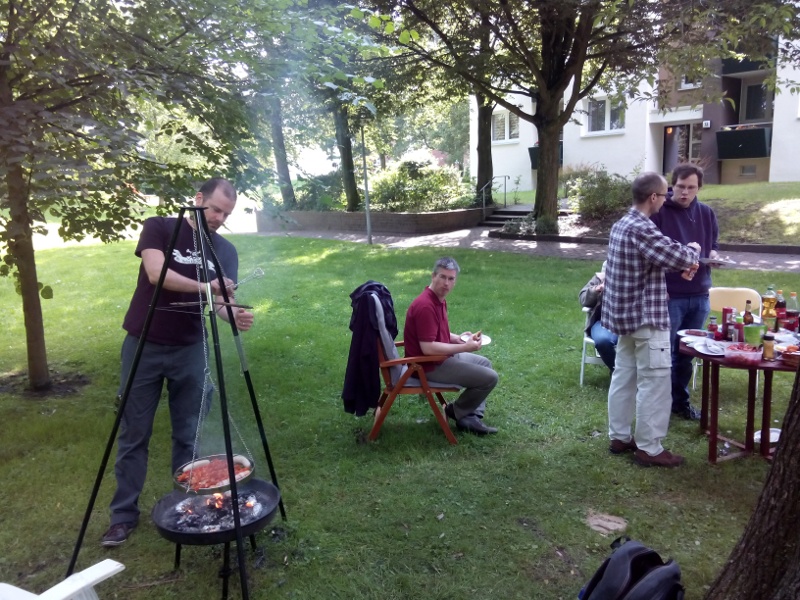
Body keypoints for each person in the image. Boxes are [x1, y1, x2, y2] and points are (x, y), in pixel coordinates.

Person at [101, 178, 255, 546]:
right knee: (134, 433)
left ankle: (187, 506)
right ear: (198, 199)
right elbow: (156, 274)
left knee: (189, 434)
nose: (219, 218)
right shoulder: (160, 228)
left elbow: (221, 302)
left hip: (190, 348)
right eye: (215, 209)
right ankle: (123, 515)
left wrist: (233, 315)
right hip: (144, 344)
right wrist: (207, 288)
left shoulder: (224, 250)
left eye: (226, 214)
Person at [602, 172, 700, 468]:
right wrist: (693, 251)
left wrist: (678, 263)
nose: (668, 198)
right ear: (653, 197)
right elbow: (679, 256)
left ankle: (619, 436)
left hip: (625, 318)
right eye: (665, 193)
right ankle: (650, 448)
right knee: (655, 383)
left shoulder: (622, 224)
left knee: (624, 377)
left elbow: (653, 259)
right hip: (646, 318)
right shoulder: (642, 228)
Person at [651, 164, 720, 420]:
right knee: (664, 353)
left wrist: (714, 255)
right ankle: (659, 405)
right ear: (672, 185)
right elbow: (652, 254)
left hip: (700, 293)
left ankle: (680, 403)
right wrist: (661, 288)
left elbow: (713, 245)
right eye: (680, 186)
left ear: (699, 188)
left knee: (686, 354)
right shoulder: (660, 212)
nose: (685, 192)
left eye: (691, 188)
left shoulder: (706, 212)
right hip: (671, 295)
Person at [403, 257, 499, 435]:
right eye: (442, 277)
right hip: (427, 366)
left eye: (451, 278)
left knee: (485, 364)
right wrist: (464, 347)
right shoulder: (425, 306)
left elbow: (437, 334)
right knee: (490, 378)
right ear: (433, 276)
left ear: (455, 281)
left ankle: (470, 417)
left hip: (437, 359)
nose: (446, 283)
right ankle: (456, 411)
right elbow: (428, 348)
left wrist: (460, 338)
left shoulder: (438, 299)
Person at [579, 261, 617, 372]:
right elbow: (583, 299)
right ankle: (617, 371)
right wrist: (596, 289)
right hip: (603, 322)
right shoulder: (599, 278)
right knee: (602, 340)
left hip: (631, 323)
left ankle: (627, 374)